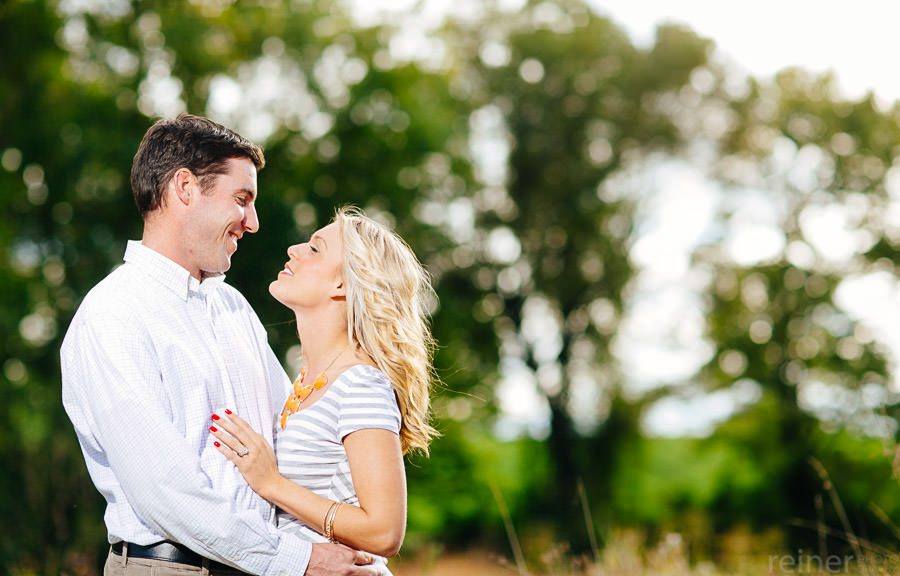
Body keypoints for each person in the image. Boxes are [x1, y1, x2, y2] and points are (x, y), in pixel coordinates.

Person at [61, 113, 379, 575]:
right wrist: (299, 559)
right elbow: (166, 492)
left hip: (263, 565)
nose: (252, 222)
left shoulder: (232, 308)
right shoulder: (114, 314)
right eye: (242, 199)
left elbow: (289, 442)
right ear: (185, 189)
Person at [207, 206, 438, 576]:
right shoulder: (305, 383)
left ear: (343, 284)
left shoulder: (361, 384)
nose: (294, 250)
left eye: (315, 248)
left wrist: (272, 484)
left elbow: (385, 532)